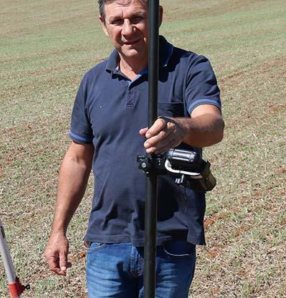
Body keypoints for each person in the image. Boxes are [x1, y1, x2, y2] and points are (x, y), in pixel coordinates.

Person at [43, 0, 225, 297]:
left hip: (170, 240)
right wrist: (58, 231)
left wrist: (181, 129)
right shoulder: (93, 81)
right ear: (103, 25)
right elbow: (77, 159)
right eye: (117, 21)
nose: (128, 30)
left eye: (138, 18)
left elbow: (213, 124)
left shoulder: (189, 67)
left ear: (158, 16)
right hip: (106, 240)